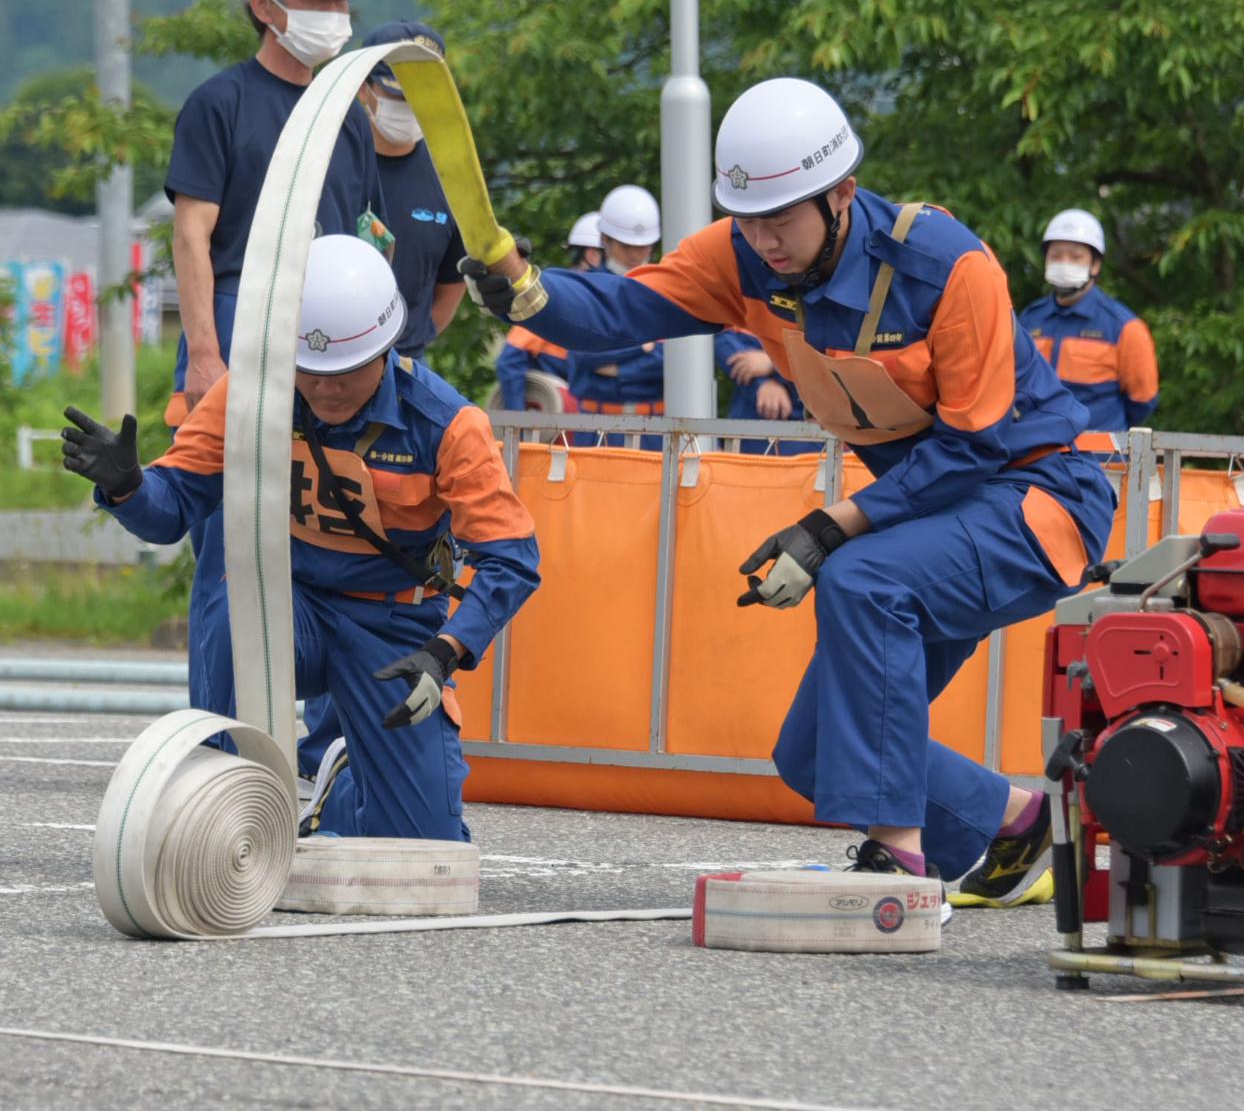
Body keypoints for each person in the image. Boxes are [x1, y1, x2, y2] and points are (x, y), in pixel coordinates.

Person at [462, 77, 1113, 907]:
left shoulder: (949, 265)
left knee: (862, 580)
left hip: (1037, 497)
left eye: (782, 217)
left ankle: (899, 864)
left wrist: (831, 526)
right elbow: (625, 308)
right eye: (748, 217)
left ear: (841, 194)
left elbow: (972, 446)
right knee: (813, 754)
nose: (763, 238)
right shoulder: (739, 256)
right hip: (936, 513)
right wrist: (529, 287)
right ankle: (1017, 825)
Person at [60, 235, 539, 841]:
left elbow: (513, 560)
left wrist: (447, 650)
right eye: (308, 372)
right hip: (289, 608)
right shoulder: (250, 395)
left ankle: (341, 788)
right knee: (232, 605)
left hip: (396, 631)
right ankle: (219, 798)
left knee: (424, 848)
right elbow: (175, 506)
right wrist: (129, 488)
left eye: (344, 372)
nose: (325, 390)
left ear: (386, 349)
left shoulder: (449, 426)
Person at [160, 0, 383, 755]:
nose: (330, 11)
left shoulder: (350, 119)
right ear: (264, 4)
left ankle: (332, 757)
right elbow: (191, 237)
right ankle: (218, 753)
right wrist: (207, 356)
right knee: (227, 550)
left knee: (342, 537)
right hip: (238, 327)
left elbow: (361, 237)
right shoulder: (221, 103)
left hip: (331, 344)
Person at [357, 20, 467, 365]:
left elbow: (453, 281)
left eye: (423, 94)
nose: (411, 105)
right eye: (398, 93)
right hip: (328, 359)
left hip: (407, 362)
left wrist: (416, 334)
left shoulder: (451, 177)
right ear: (365, 90)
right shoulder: (331, 162)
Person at [1016, 209, 1158, 435]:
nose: (1064, 262)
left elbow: (1142, 401)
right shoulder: (1029, 319)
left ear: (1095, 265)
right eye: (1056, 255)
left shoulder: (1124, 328)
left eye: (1075, 256)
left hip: (1101, 461)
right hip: (1037, 455)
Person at [566, 186, 667, 445]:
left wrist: (617, 366)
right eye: (626, 245)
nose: (636, 254)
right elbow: (586, 353)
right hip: (596, 427)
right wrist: (643, 347)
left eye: (644, 246)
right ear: (605, 240)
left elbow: (674, 360)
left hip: (654, 430)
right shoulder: (587, 289)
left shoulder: (667, 288)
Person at [492, 215, 599, 411]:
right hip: (554, 419)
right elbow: (510, 361)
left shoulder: (601, 304)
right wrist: (519, 425)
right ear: (593, 255)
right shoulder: (558, 297)